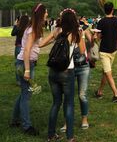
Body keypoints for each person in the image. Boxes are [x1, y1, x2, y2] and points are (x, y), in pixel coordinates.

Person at [11, 3, 57, 136]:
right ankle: (27, 126)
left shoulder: (35, 28)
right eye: (46, 12)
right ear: (42, 14)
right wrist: (26, 70)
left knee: (23, 93)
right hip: (25, 63)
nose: (47, 14)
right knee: (27, 95)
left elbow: (40, 44)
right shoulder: (32, 29)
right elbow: (26, 50)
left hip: (26, 63)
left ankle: (14, 120)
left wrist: (53, 37)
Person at [46, 8, 86, 142]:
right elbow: (82, 51)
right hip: (67, 72)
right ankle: (70, 137)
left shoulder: (57, 31)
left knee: (55, 103)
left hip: (53, 72)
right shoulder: (75, 33)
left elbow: (41, 44)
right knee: (69, 104)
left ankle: (50, 135)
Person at [61, 15, 93, 132]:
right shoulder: (62, 32)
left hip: (83, 66)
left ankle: (84, 118)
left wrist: (86, 36)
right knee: (68, 96)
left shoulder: (81, 30)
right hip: (69, 68)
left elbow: (85, 47)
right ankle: (66, 121)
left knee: (82, 95)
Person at [94, 2, 117, 102]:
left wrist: (95, 35)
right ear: (112, 9)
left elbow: (97, 38)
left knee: (107, 73)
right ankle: (99, 92)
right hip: (113, 50)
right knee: (106, 72)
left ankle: (116, 94)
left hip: (104, 51)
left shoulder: (101, 22)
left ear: (104, 10)